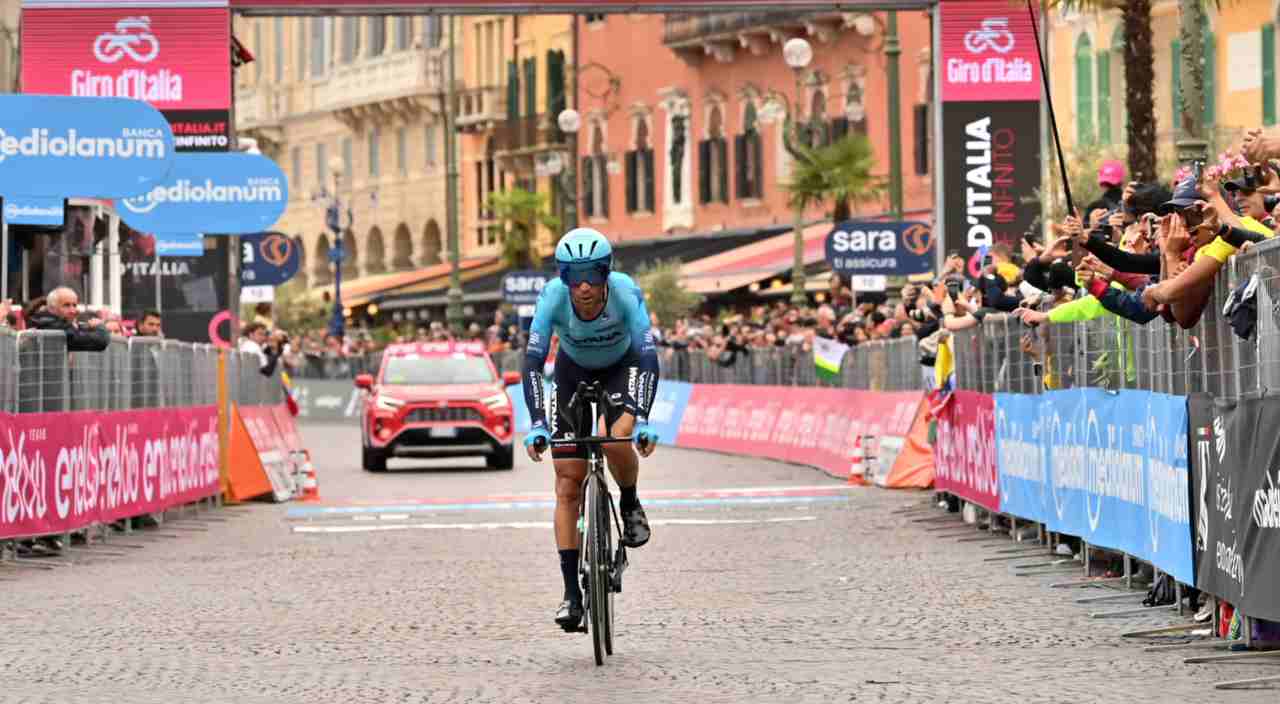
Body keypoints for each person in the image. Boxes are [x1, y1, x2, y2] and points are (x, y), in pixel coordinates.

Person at [522, 228, 660, 632]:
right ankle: (571, 594)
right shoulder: (551, 297)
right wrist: (536, 423)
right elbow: (532, 363)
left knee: (616, 436)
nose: (582, 286)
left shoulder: (626, 292)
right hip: (571, 370)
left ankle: (630, 502)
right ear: (562, 277)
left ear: (606, 273)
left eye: (592, 275)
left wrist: (644, 417)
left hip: (623, 367)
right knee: (567, 483)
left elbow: (649, 357)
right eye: (572, 276)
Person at [29, 287, 109, 352]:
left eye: (74, 305)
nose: (72, 310)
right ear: (52, 308)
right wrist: (99, 326)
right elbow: (99, 341)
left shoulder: (52, 322)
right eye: (66, 305)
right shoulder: (52, 325)